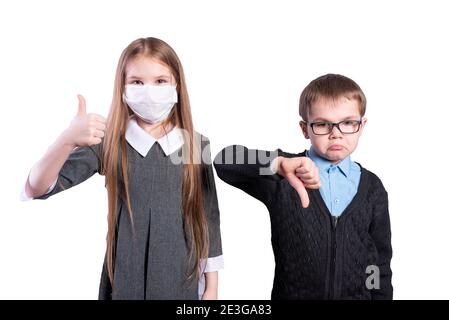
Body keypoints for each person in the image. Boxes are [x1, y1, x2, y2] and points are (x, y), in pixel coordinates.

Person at [22, 37, 223, 300]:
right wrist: (67, 139)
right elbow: (37, 187)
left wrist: (212, 288)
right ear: (123, 87)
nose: (149, 90)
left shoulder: (197, 144)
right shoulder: (109, 142)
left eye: (160, 81)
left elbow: (207, 216)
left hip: (180, 278)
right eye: (137, 82)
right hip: (124, 277)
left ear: (176, 85)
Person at [214, 74, 392, 299]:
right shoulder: (285, 176)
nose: (335, 133)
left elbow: (378, 262)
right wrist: (277, 164)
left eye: (348, 122)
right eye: (322, 124)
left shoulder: (372, 188)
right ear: (305, 128)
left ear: (361, 125)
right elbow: (225, 161)